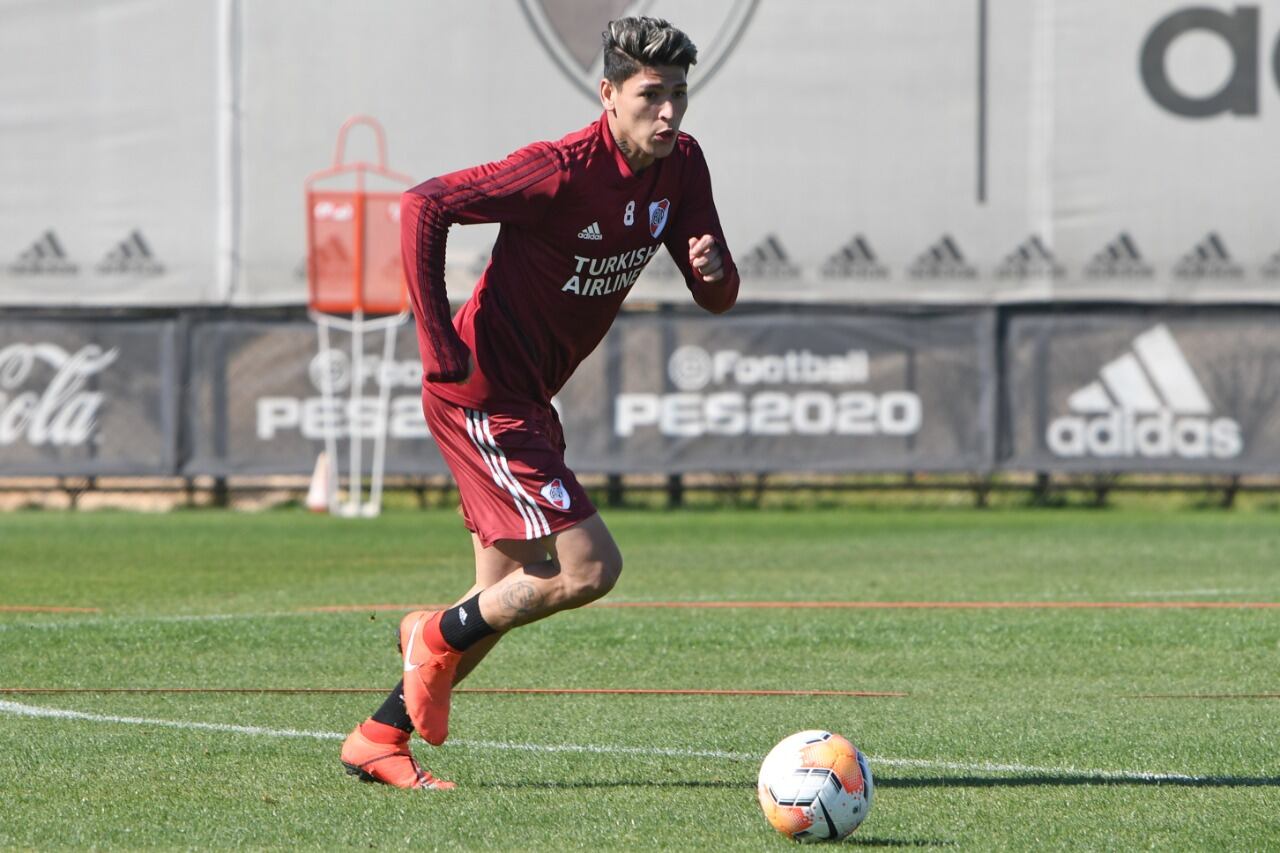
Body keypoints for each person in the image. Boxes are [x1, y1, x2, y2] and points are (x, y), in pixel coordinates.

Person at [340, 15, 739, 789]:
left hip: (523, 397)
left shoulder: (682, 166)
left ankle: (377, 735)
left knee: (501, 596)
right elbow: (424, 204)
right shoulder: (558, 170)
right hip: (483, 396)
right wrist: (436, 342)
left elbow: (715, 295)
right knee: (588, 567)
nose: (669, 113)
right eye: (651, 95)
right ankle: (430, 632)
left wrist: (714, 266)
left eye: (680, 95)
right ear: (608, 95)